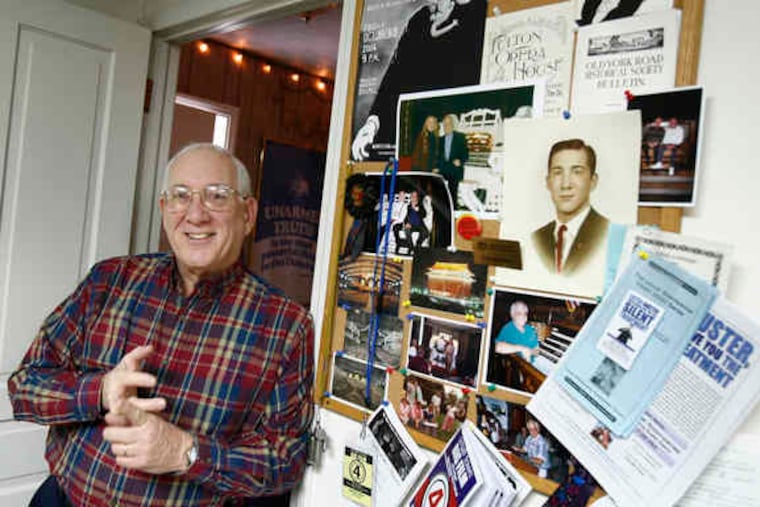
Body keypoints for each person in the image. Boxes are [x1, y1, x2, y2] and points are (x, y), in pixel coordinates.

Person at [7, 143, 314, 506]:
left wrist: (185, 453)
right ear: (165, 210)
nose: (196, 214)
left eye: (217, 196)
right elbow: (25, 386)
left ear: (247, 214)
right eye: (180, 196)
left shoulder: (287, 326)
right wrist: (102, 391)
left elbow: (285, 462)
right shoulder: (109, 280)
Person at [351, 0, 487, 161]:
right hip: (405, 140)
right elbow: (395, 75)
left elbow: (469, 81)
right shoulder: (420, 18)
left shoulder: (479, 13)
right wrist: (373, 123)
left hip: (445, 141)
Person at [532, 138, 610, 275]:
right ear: (548, 182)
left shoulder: (607, 235)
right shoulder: (537, 238)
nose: (565, 184)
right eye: (557, 172)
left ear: (593, 181)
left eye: (577, 172)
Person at [436, 114, 469, 207]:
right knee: (437, 187)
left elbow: (466, 154)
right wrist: (436, 167)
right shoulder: (440, 140)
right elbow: (437, 157)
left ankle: (453, 210)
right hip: (442, 169)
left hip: (454, 169)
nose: (447, 126)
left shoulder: (460, 137)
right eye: (445, 124)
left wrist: (460, 161)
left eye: (449, 123)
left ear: (453, 125)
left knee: (452, 192)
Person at [392, 190, 429, 254]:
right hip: (410, 225)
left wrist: (418, 210)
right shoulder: (408, 206)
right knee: (406, 230)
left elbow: (424, 215)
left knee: (426, 233)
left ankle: (418, 244)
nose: (413, 198)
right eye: (412, 196)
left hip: (419, 225)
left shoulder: (420, 205)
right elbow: (405, 216)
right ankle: (411, 248)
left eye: (415, 196)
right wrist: (406, 223)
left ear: (417, 197)